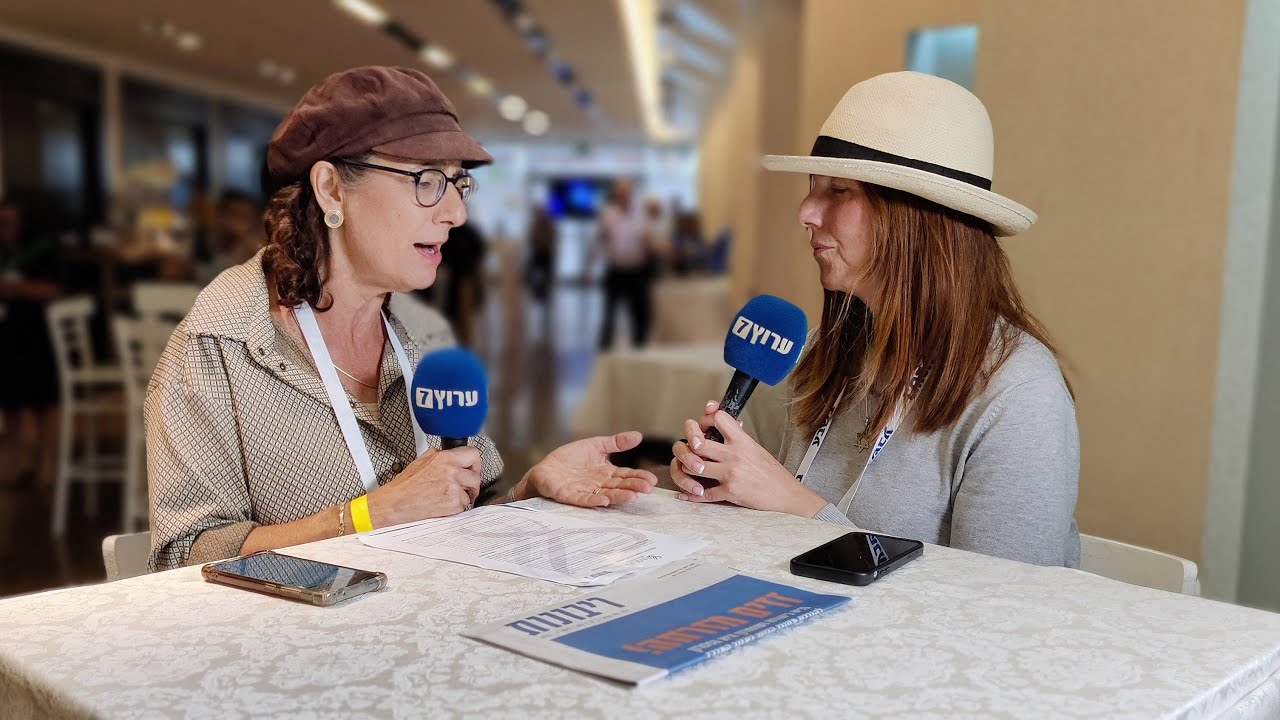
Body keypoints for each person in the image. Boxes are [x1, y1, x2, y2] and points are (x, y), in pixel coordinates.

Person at [147, 67, 656, 571]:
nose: (455, 212)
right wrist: (371, 515)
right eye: (427, 180)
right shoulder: (220, 345)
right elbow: (181, 562)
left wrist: (531, 489)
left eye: (458, 183)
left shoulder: (423, 335)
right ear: (331, 189)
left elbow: (460, 514)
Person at [669, 72, 1080, 567]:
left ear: (915, 216)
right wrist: (719, 479)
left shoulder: (1018, 392)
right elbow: (755, 530)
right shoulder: (819, 357)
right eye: (812, 188)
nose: (805, 212)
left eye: (838, 191)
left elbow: (1005, 607)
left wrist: (798, 506)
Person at [0, 199, 61, 489]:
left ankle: (46, 465)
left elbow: (54, 288)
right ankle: (17, 464)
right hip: (7, 332)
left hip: (38, 332)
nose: (6, 229)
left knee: (44, 400)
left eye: (10, 222)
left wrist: (14, 288)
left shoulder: (41, 250)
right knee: (11, 402)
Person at [591, 179, 662, 350]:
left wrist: (667, 251)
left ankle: (640, 350)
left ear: (631, 194)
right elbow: (599, 240)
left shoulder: (640, 215)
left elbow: (650, 241)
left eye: (627, 193)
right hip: (615, 271)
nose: (624, 196)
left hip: (636, 272)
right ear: (616, 195)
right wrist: (588, 266)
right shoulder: (608, 215)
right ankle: (604, 353)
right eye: (620, 193)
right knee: (609, 315)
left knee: (640, 314)